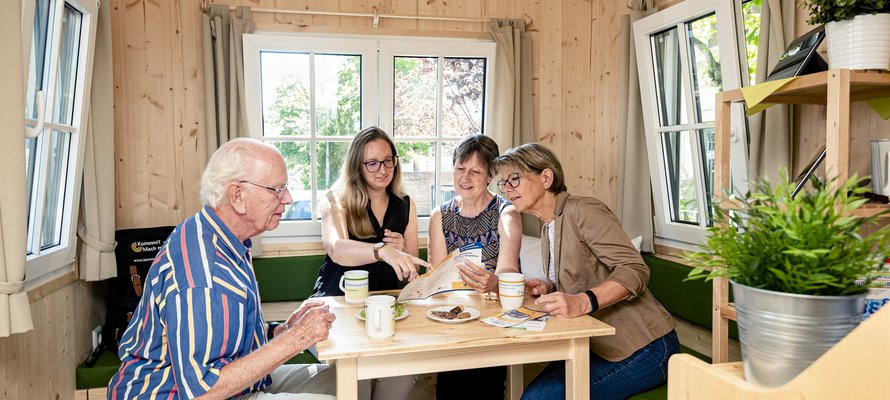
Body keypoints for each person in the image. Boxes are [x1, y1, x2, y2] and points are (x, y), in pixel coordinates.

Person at [107, 138, 336, 400]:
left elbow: (224, 334)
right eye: (277, 189)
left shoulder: (223, 236)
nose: (288, 199)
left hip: (227, 384)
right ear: (237, 195)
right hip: (176, 394)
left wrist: (279, 332)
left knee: (342, 381)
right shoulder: (203, 274)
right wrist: (297, 339)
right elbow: (201, 392)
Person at [494, 143, 678, 400]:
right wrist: (549, 287)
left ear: (546, 178)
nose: (508, 189)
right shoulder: (549, 226)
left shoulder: (584, 210)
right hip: (594, 344)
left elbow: (635, 269)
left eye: (514, 179)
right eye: (504, 183)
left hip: (646, 348)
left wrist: (583, 301)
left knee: (537, 399)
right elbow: (581, 277)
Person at [310, 126, 429, 400]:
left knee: (402, 375)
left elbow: (412, 271)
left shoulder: (405, 204)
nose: (382, 169)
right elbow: (337, 248)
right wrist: (382, 251)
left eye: (388, 160)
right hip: (339, 305)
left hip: (386, 307)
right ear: (357, 166)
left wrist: (401, 252)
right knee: (355, 383)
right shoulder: (335, 199)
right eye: (372, 163)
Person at [427, 134, 522, 399]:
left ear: (490, 175)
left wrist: (493, 281)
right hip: (453, 316)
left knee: (484, 387)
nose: (465, 178)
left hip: (492, 317)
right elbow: (436, 277)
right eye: (460, 168)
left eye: (475, 171)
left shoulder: (506, 212)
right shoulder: (441, 215)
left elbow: (507, 270)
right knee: (449, 389)